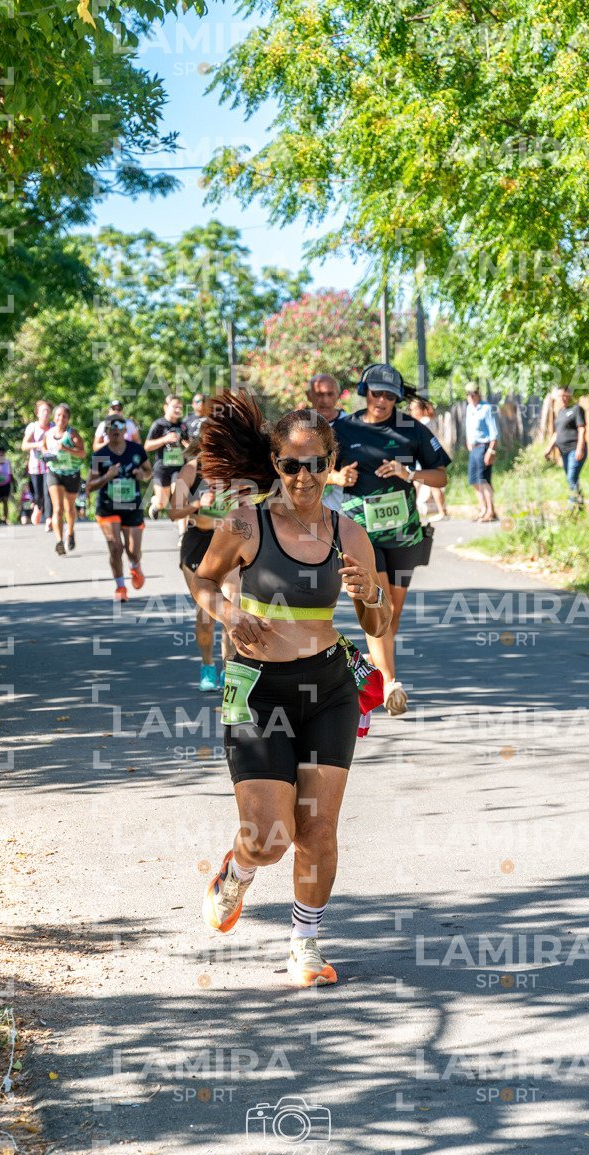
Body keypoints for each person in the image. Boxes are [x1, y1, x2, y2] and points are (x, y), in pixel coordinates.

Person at [192, 391, 391, 988]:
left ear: (333, 463)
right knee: (268, 838)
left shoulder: (350, 535)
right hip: (257, 690)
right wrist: (227, 614)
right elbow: (202, 582)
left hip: (328, 687)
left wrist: (368, 594)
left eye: (315, 464)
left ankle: (305, 943)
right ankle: (238, 872)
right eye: (290, 465)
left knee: (318, 829)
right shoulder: (245, 522)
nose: (303, 478)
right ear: (275, 464)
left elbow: (378, 627)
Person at [334, 363, 450, 717]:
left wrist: (409, 472)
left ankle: (371, 665)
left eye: (389, 395)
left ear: (397, 398)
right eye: (376, 392)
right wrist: (339, 476)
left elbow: (441, 477)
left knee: (391, 614)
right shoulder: (343, 428)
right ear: (363, 391)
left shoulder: (410, 429)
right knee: (377, 602)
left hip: (403, 532)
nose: (381, 400)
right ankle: (389, 683)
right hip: (360, 531)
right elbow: (314, 471)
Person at [170, 435, 237, 692]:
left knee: (231, 607)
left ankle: (229, 670)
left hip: (226, 542)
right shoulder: (191, 470)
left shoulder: (232, 468)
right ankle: (207, 666)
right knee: (207, 615)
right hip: (197, 543)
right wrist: (198, 505)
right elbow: (174, 512)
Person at [87, 415, 152, 600]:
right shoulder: (100, 455)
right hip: (108, 507)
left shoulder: (136, 450)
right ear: (106, 432)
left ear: (125, 430)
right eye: (111, 426)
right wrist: (107, 477)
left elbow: (149, 471)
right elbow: (89, 486)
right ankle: (121, 587)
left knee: (133, 552)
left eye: (119, 426)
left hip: (132, 507)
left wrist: (142, 474)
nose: (115, 429)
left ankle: (135, 566)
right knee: (116, 548)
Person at [42, 403, 86, 555]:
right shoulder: (48, 434)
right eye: (58, 415)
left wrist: (66, 449)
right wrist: (47, 454)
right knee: (58, 508)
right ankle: (59, 541)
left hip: (72, 474)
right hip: (55, 473)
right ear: (54, 417)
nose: (61, 418)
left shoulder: (72, 434)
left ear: (68, 418)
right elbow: (43, 448)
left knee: (69, 507)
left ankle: (70, 532)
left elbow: (82, 453)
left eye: (64, 416)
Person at [305, 373, 351, 513]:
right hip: (307, 504)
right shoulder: (298, 426)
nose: (325, 400)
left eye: (330, 394)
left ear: (338, 395)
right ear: (309, 395)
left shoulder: (352, 425)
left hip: (345, 506)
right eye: (319, 394)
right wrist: (333, 477)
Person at [144, 395, 190, 519]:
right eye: (175, 406)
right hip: (162, 467)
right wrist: (165, 439)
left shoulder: (183, 426)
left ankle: (183, 533)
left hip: (179, 467)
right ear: (166, 407)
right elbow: (147, 446)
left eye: (180, 407)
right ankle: (156, 504)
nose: (178, 410)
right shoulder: (158, 424)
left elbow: (189, 445)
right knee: (162, 502)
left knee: (179, 498)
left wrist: (186, 444)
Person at [544, 385, 588, 508]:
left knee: (571, 477)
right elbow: (557, 433)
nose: (562, 398)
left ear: (570, 396)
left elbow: (582, 429)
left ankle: (572, 506)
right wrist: (549, 449)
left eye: (565, 395)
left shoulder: (577, 409)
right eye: (560, 396)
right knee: (572, 478)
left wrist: (580, 448)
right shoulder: (560, 412)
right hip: (564, 451)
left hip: (575, 449)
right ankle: (580, 505)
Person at [465, 384, 499, 522]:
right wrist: (468, 441)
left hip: (484, 447)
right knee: (474, 480)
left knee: (484, 480)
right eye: (469, 394)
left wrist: (491, 450)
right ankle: (483, 509)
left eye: (474, 394)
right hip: (473, 448)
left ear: (479, 394)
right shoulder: (469, 408)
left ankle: (490, 511)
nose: (471, 397)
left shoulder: (487, 408)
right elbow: (469, 427)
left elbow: (494, 433)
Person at [410, 397, 447, 521]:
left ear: (420, 409)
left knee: (428, 484)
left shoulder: (423, 422)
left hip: (425, 458)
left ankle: (441, 512)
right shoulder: (429, 420)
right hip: (428, 457)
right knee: (418, 483)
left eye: (413, 409)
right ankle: (441, 510)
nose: (411, 413)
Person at [21, 401, 53, 529]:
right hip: (36, 466)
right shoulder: (33, 427)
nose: (45, 413)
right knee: (39, 494)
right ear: (37, 413)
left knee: (48, 492)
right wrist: (38, 444)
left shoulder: (53, 427)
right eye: (42, 411)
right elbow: (24, 446)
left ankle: (49, 519)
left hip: (50, 466)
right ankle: (38, 507)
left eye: (47, 411)